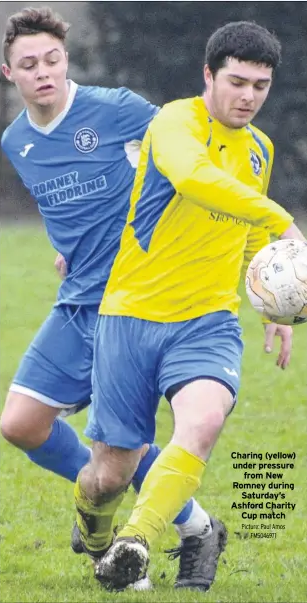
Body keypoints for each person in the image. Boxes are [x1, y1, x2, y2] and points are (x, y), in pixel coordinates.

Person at [73, 20, 306, 592]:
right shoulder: (175, 123)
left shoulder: (259, 150)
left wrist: (275, 308)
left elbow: (251, 232)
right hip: (130, 315)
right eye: (237, 81)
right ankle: (98, 533)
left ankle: (138, 539)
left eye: (260, 85)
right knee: (109, 474)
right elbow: (192, 177)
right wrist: (282, 216)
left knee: (200, 423)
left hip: (207, 321)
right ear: (208, 75)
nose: (248, 96)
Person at [0, 6, 222, 590]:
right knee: (21, 424)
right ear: (10, 74)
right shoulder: (16, 140)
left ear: (65, 59)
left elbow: (186, 154)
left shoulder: (117, 109)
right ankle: (101, 498)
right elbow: (62, 206)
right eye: (29, 64)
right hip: (76, 300)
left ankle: (185, 529)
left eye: (52, 59)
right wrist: (65, 248)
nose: (43, 71)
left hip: (133, 302)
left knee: (119, 445)